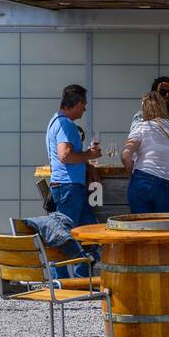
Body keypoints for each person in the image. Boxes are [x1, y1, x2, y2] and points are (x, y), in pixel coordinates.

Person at [46, 84, 101, 233]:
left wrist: (87, 165)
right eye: (84, 104)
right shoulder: (66, 124)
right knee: (66, 234)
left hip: (68, 186)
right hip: (69, 187)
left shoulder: (56, 121)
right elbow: (65, 156)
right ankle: (68, 257)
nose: (85, 109)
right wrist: (89, 155)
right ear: (78, 103)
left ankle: (92, 256)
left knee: (90, 230)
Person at [122, 91, 169, 213]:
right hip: (168, 183)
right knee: (162, 229)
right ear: (163, 106)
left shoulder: (142, 126)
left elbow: (125, 155)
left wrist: (131, 174)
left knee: (141, 229)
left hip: (143, 179)